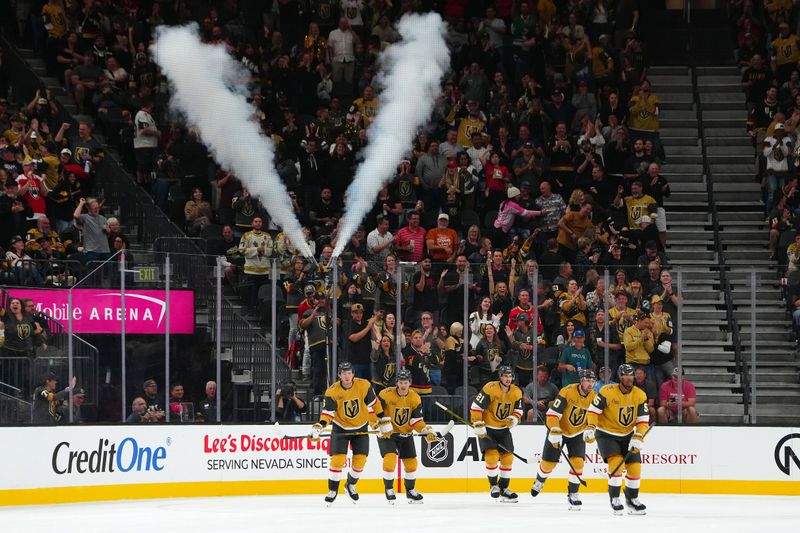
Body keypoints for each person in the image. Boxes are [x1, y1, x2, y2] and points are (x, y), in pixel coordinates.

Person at [310, 362, 382, 505]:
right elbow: (328, 413)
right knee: (337, 461)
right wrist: (320, 425)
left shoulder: (364, 385)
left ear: (353, 374)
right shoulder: (332, 391)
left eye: (349, 373)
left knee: (360, 460)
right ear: (339, 375)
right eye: (344, 373)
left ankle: (350, 485)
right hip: (340, 427)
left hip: (360, 427)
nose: (347, 376)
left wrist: (382, 421)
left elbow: (374, 403)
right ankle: (332, 490)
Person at [585, 364, 649, 515]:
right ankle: (615, 498)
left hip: (627, 434)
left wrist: (638, 436)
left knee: (635, 467)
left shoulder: (640, 395)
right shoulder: (607, 392)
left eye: (631, 375)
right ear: (620, 377)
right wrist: (590, 427)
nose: (629, 378)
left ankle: (632, 499)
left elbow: (643, 420)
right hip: (606, 433)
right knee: (616, 464)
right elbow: (593, 412)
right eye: (625, 375)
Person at [531, 369, 597, 510]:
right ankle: (540, 480)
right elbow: (552, 414)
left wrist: (591, 429)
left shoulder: (594, 397)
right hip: (559, 430)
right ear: (581, 381)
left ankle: (573, 493)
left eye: (592, 381)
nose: (590, 384)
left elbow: (596, 417)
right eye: (587, 380)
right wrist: (554, 430)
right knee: (548, 464)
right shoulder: (567, 391)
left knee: (578, 463)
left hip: (577, 433)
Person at [376, 368, 440, 503]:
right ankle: (389, 489)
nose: (403, 385)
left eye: (405, 382)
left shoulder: (414, 398)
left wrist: (425, 430)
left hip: (406, 434)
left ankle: (410, 491)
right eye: (400, 382)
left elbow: (415, 420)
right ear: (396, 383)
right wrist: (378, 426)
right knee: (390, 460)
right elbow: (374, 412)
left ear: (410, 382)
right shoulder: (385, 394)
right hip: (388, 434)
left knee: (411, 464)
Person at [470, 365, 524, 502]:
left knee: (507, 459)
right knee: (492, 456)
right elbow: (476, 407)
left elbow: (519, 410)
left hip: (503, 430)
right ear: (500, 377)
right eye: (505, 376)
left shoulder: (517, 392)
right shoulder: (490, 388)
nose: (508, 379)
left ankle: (504, 488)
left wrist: (514, 419)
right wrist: (477, 423)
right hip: (488, 428)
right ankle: (493, 486)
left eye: (510, 376)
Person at [300, 292, 332, 396]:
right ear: (314, 300)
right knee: (318, 369)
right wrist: (312, 316)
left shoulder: (329, 311)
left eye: (322, 298)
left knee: (330, 368)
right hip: (316, 344)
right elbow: (302, 325)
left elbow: (337, 323)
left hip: (329, 343)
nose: (320, 300)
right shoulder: (308, 311)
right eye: (318, 299)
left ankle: (329, 391)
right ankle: (317, 392)